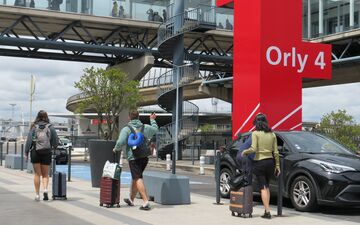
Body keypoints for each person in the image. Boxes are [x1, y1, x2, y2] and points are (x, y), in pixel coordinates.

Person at [113, 109, 158, 210]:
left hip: (134, 158)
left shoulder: (127, 129)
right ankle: (131, 199)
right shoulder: (145, 127)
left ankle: (146, 202)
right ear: (138, 117)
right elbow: (155, 129)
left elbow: (120, 142)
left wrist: (116, 149)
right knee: (136, 177)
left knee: (137, 178)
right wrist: (152, 120)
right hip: (144, 157)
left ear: (129, 117)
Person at [241, 113, 280, 219]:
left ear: (256, 122)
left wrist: (245, 151)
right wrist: (277, 166)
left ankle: (267, 212)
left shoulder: (255, 133)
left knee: (263, 187)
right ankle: (266, 210)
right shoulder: (272, 134)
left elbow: (253, 148)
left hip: (260, 163)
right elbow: (276, 152)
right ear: (265, 122)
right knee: (267, 186)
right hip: (270, 162)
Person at [25, 110, 59, 201]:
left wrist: (26, 152)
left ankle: (37, 195)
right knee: (45, 174)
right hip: (47, 152)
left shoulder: (33, 127)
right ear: (46, 117)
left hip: (35, 152)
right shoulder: (50, 127)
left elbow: (29, 141)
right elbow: (55, 141)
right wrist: (54, 147)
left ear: (37, 116)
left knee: (37, 174)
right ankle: (45, 189)